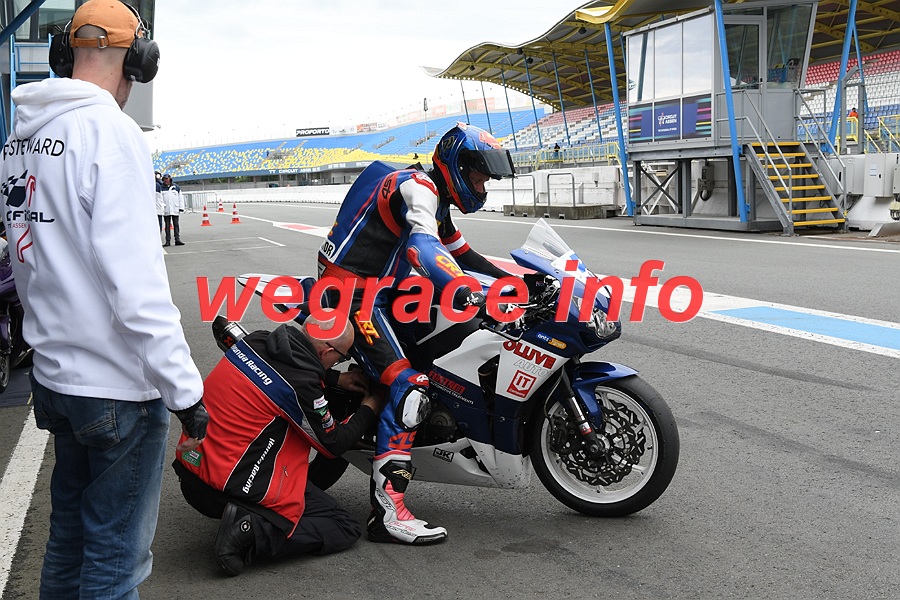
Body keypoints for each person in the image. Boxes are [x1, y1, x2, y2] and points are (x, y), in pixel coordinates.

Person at [0, 1, 208, 598]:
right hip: (116, 388)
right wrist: (186, 391)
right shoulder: (111, 134)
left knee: (67, 544)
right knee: (116, 565)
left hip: (55, 377)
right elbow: (136, 288)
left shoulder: (20, 139)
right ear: (138, 60)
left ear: (65, 53)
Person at [317, 123, 516, 544]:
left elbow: (462, 253)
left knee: (447, 337)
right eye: (479, 177)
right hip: (350, 294)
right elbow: (422, 248)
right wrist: (462, 287)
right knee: (410, 386)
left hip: (385, 289)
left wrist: (513, 282)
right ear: (457, 165)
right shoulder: (418, 188)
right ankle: (388, 513)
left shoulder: (436, 199)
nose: (482, 187)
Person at [172, 316, 383, 576]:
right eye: (341, 357)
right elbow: (334, 444)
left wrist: (335, 378)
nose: (339, 361)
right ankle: (251, 531)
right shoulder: (301, 386)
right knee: (344, 526)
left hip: (191, 472)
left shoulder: (256, 340)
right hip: (226, 490)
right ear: (327, 352)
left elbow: (284, 371)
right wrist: (369, 408)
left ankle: (251, 516)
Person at [160, 173, 185, 246]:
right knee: (167, 226)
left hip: (175, 208)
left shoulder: (176, 187)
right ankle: (167, 241)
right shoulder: (161, 188)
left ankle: (177, 239)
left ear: (170, 179)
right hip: (166, 209)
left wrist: (181, 207)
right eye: (164, 179)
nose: (165, 180)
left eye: (166, 179)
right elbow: (160, 199)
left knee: (176, 225)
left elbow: (180, 198)